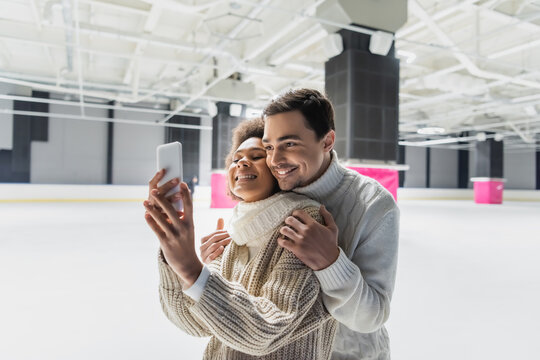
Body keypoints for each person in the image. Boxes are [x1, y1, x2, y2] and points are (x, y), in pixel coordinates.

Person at [201, 89, 400, 360]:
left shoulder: (373, 203)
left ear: (327, 141)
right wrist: (217, 264)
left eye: (289, 144)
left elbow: (372, 316)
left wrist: (331, 262)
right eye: (269, 147)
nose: (275, 160)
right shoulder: (272, 191)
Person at [144, 118, 337, 359]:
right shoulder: (235, 234)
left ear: (279, 167)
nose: (242, 162)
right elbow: (192, 323)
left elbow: (267, 331)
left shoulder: (304, 223)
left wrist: (193, 270)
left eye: (256, 156)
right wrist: (175, 259)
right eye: (235, 159)